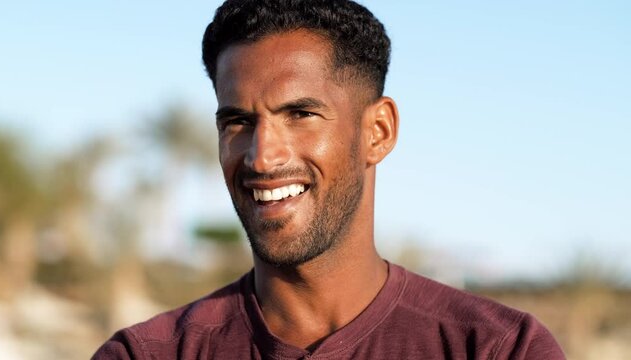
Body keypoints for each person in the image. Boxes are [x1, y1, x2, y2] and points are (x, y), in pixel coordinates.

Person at [93, 0, 565, 358]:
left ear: (377, 132)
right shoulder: (147, 353)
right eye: (237, 122)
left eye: (300, 113)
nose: (261, 157)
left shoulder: (498, 349)